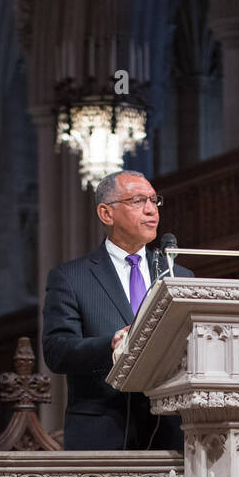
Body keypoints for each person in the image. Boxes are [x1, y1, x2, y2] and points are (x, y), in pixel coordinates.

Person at [42, 169, 193, 452]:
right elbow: (56, 350)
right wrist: (109, 345)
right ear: (106, 213)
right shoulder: (72, 277)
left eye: (153, 200)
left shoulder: (178, 275)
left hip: (171, 432)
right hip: (103, 430)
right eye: (138, 201)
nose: (151, 210)